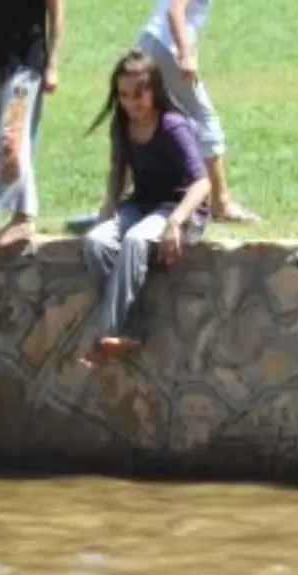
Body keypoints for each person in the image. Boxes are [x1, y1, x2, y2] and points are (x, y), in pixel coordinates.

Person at [81, 49, 211, 368]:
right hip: (143, 205)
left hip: (181, 210)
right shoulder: (122, 125)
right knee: (96, 242)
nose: (130, 103)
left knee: (136, 241)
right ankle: (131, 330)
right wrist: (109, 202)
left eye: (138, 95)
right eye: (123, 95)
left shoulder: (172, 126)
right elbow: (118, 168)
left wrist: (175, 223)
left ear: (154, 90)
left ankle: (104, 338)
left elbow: (203, 183)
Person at [134, 0, 258, 223]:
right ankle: (220, 203)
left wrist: (190, 50)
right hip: (165, 46)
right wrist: (185, 55)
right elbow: (175, 13)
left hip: (152, 42)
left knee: (153, 119)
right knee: (204, 118)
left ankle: (136, 198)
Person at [0, 0, 65, 249]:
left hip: (27, 63)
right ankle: (5, 211)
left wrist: (53, 65)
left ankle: (24, 217)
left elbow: (56, 13)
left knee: (12, 136)